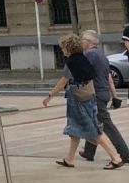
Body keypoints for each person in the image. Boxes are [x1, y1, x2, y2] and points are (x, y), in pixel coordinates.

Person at [43, 32, 126, 169]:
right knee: (75, 130)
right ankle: (69, 159)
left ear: (68, 47)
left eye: (63, 47)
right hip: (88, 97)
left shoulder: (71, 62)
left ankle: (116, 158)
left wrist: (49, 96)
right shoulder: (82, 58)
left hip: (79, 100)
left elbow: (63, 81)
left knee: (95, 130)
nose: (62, 50)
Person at [79, 30, 129, 165]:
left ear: (88, 42)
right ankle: (89, 151)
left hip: (95, 94)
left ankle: (125, 153)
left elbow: (85, 76)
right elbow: (109, 78)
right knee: (94, 122)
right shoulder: (102, 56)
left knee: (106, 125)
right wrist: (115, 96)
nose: (80, 42)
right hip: (103, 93)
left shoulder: (89, 55)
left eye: (82, 40)